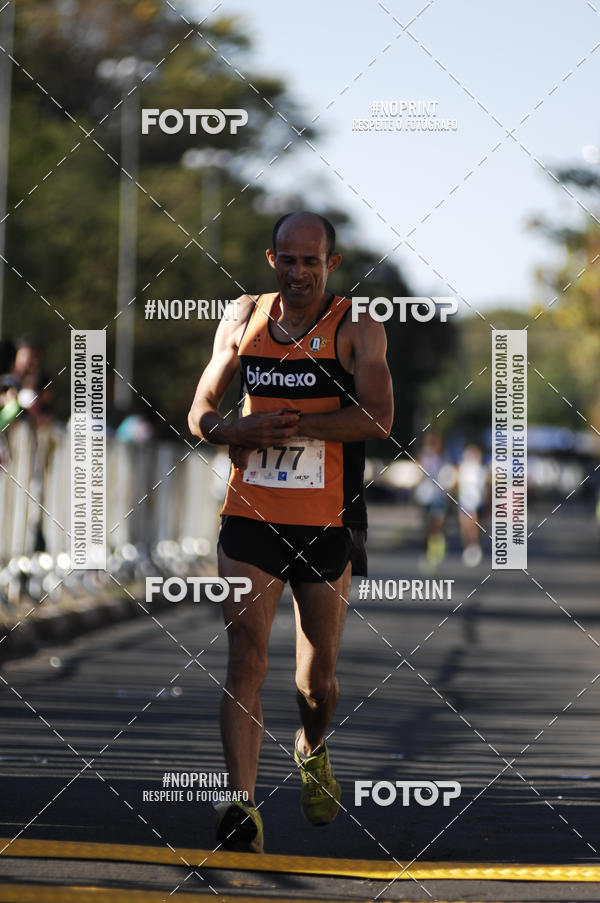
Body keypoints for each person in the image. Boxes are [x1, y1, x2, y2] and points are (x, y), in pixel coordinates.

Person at [188, 211, 393, 853]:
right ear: (270, 258)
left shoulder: (357, 327)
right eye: (288, 259)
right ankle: (241, 806)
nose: (298, 271)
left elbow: (379, 419)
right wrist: (231, 430)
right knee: (246, 653)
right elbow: (201, 410)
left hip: (327, 520)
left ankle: (311, 744)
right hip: (250, 513)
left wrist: (293, 425)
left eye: (311, 261)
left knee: (316, 680)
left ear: (331, 264)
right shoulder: (244, 317)